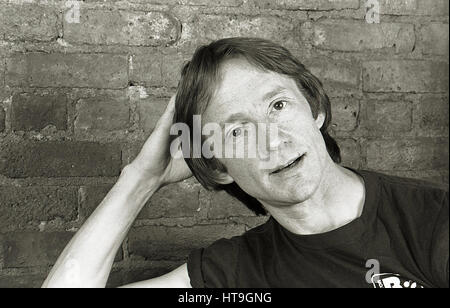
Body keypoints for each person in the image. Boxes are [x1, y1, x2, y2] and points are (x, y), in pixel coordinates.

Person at [42, 37, 449, 288]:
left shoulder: (430, 220)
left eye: (278, 105)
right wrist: (140, 180)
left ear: (315, 110)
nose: (272, 138)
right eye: (237, 132)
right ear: (218, 167)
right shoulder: (234, 272)